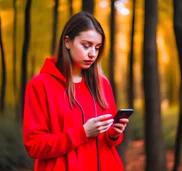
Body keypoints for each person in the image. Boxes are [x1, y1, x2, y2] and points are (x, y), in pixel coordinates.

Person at [23, 11, 129, 171]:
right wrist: (83, 132)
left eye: (97, 47)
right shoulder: (40, 85)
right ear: (67, 41)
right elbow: (35, 146)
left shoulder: (102, 84)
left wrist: (114, 133)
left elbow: (109, 141)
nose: (92, 53)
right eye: (86, 45)